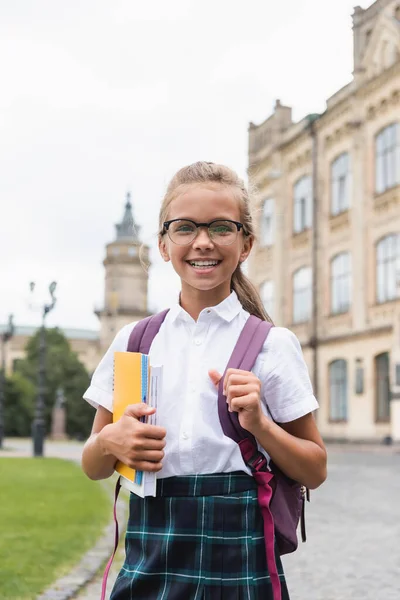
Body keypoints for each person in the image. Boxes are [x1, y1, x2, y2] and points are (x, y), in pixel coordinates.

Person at [82, 161, 327, 600]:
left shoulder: (273, 345)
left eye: (220, 227)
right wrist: (110, 442)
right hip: (151, 551)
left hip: (239, 555)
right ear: (162, 243)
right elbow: (93, 464)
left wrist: (261, 426)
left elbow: (315, 468)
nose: (202, 242)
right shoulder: (134, 341)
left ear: (246, 243)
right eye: (184, 228)